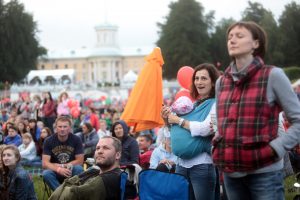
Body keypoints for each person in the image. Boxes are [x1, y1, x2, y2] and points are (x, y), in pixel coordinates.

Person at [212, 21, 300, 200]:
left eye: (239, 36)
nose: (232, 40)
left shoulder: (273, 75)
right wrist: (217, 145)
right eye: (230, 37)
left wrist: (277, 148)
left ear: (256, 44)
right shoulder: (222, 82)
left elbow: (298, 120)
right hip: (231, 173)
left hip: (265, 173)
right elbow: (222, 124)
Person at [162, 63, 220, 200]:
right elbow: (176, 133)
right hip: (181, 165)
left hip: (202, 166)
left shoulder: (217, 104)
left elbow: (207, 128)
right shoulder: (191, 106)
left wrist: (178, 121)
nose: (199, 82)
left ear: (213, 82)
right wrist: (167, 120)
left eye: (204, 78)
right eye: (196, 78)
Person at [49, 136, 124, 200]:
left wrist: (67, 188)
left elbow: (73, 194)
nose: (100, 151)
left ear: (117, 155)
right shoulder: (94, 170)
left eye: (106, 148)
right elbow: (67, 182)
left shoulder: (113, 177)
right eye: (97, 148)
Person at [42, 116, 84, 191]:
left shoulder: (76, 139)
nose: (62, 129)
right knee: (46, 174)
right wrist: (58, 169)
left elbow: (80, 161)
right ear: (56, 127)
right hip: (55, 171)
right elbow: (45, 163)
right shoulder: (48, 141)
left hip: (70, 169)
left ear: (70, 128)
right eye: (60, 126)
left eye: (65, 127)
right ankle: (62, 194)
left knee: (79, 169)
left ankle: (71, 192)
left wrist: (62, 166)